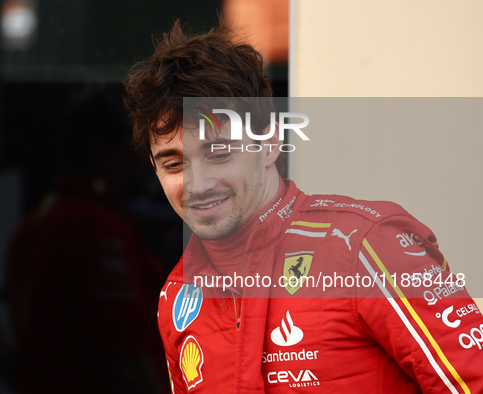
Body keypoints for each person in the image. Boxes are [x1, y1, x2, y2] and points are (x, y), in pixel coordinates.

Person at [124, 20, 483, 394]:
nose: (197, 185)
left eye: (219, 153)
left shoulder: (364, 245)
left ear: (270, 143)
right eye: (174, 164)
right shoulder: (178, 295)